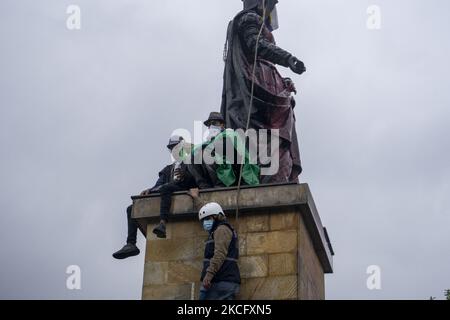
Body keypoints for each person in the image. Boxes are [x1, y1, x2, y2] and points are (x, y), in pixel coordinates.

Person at [221, 0, 306, 183]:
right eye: (270, 4)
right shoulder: (249, 18)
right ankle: (269, 178)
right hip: (258, 84)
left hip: (267, 79)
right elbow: (256, 44)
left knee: (277, 134)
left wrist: (283, 81)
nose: (270, 10)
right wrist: (288, 58)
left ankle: (278, 177)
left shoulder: (252, 19)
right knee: (268, 133)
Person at [112, 135, 195, 259]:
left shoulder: (191, 163)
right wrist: (150, 190)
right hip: (166, 193)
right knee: (132, 208)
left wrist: (186, 176)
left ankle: (162, 223)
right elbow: (159, 185)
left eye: (176, 147)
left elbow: (197, 181)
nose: (174, 150)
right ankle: (131, 244)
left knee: (167, 188)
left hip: (183, 192)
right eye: (172, 148)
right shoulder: (168, 169)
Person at [187, 112, 260, 189]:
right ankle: (204, 186)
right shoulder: (210, 142)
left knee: (208, 155)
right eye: (209, 125)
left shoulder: (229, 134)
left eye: (214, 123)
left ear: (222, 125)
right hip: (217, 168)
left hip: (233, 169)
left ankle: (221, 184)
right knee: (192, 157)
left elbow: (227, 148)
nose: (211, 126)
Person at [198, 202, 240, 300]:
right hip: (221, 280)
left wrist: (208, 275)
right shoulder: (218, 230)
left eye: (208, 219)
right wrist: (196, 198)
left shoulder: (221, 229)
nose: (205, 222)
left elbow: (220, 254)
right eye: (204, 220)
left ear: (217, 217)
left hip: (221, 281)